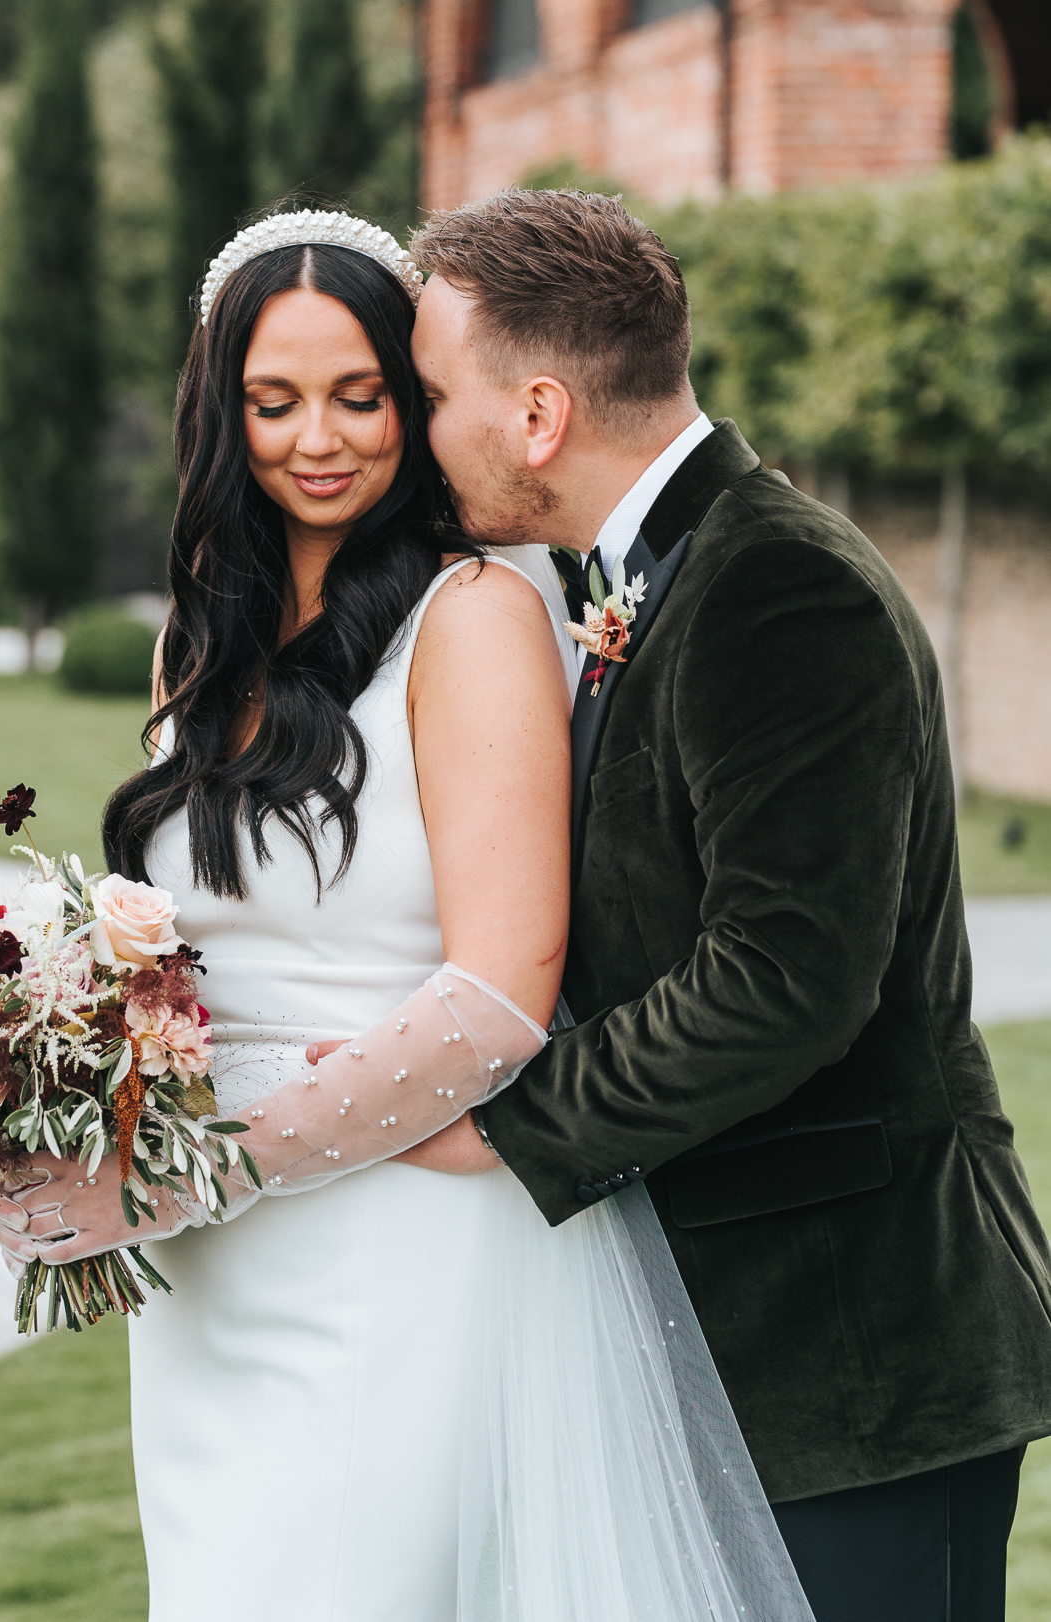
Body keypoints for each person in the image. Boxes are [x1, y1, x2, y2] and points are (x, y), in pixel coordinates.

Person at [0, 205, 816, 1622]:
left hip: (399, 1249)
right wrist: (35, 1085)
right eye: (276, 399)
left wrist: (194, 1171)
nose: (323, 436)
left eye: (364, 395)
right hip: (211, 1289)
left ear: (414, 400)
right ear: (219, 414)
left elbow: (501, 996)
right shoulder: (199, 640)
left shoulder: (476, 615)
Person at [404, 185, 1051, 1622]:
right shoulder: (642, 578)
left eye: (435, 389)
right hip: (738, 1348)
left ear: (540, 414)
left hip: (865, 1353)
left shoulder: (780, 591)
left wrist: (508, 1124)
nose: (414, 426)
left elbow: (786, 979)